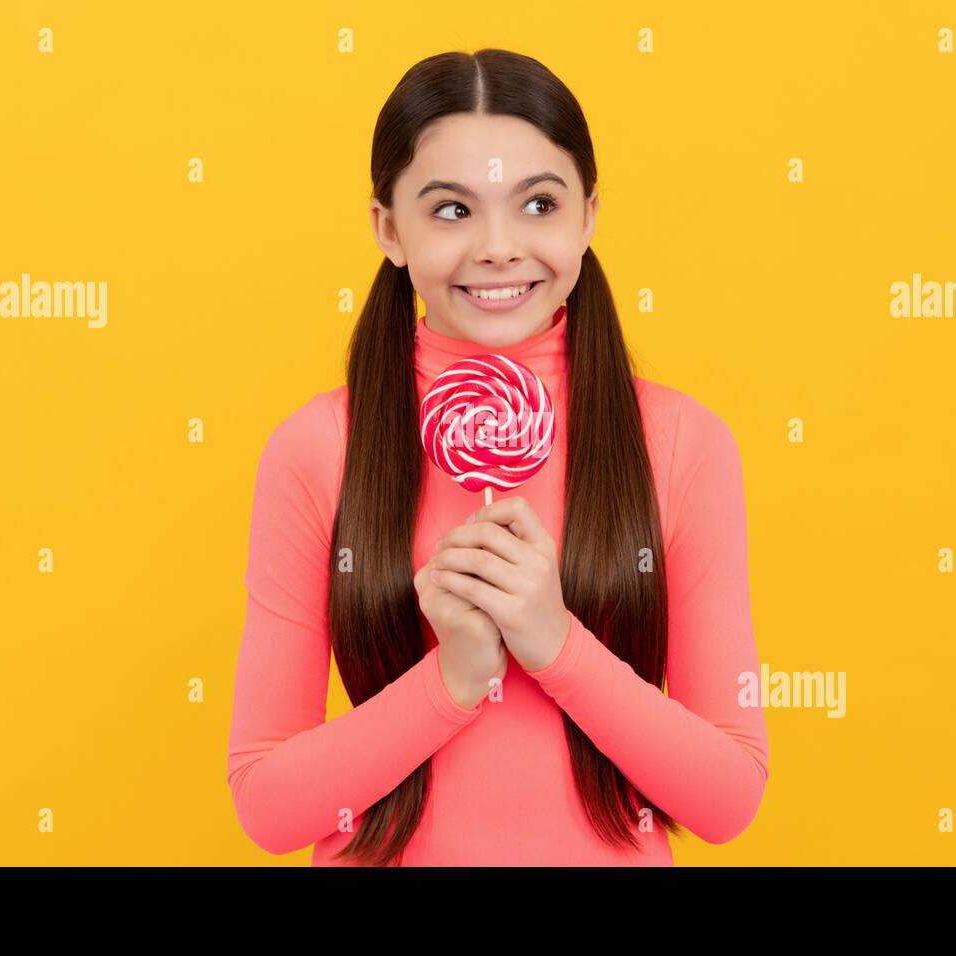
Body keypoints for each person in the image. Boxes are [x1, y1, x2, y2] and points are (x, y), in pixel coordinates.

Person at [226, 48, 768, 866]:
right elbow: (269, 810)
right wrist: (451, 677)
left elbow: (727, 798)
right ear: (388, 230)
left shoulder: (684, 444)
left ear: (587, 217)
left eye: (538, 204)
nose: (499, 248)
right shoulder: (317, 449)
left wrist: (553, 641)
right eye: (451, 211)